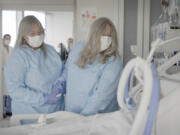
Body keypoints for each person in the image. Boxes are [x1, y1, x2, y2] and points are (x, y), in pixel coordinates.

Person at [53, 17, 123, 116]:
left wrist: (83, 118)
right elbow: (68, 71)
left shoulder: (113, 61)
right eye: (102, 35)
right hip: (71, 112)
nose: (106, 39)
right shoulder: (78, 48)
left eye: (109, 36)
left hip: (96, 118)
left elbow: (102, 96)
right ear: (93, 35)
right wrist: (60, 83)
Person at [4, 16, 64, 115]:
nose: (37, 36)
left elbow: (62, 70)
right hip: (30, 113)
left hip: (56, 110)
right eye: (32, 33)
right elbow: (15, 90)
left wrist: (62, 82)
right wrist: (44, 99)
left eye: (40, 32)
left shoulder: (51, 51)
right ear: (24, 35)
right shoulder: (19, 56)